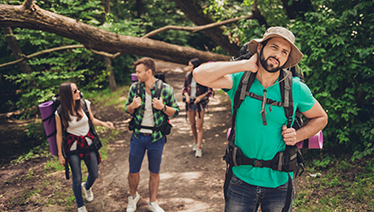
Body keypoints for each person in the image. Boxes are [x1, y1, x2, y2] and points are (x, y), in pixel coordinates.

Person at [193, 27, 328, 212]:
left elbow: (321, 117)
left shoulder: (296, 89)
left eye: (284, 52)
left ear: (287, 60)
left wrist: (298, 135)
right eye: (273, 47)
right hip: (240, 180)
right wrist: (246, 65)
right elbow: (199, 75)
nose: (277, 54)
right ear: (260, 48)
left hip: (279, 183)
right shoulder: (239, 81)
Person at [125, 57, 179, 212]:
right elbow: (126, 109)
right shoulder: (134, 88)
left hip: (156, 138)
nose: (136, 75)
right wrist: (132, 106)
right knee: (133, 171)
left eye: (139, 72)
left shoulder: (166, 89)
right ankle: (133, 196)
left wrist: (163, 107)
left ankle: (153, 202)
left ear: (149, 72)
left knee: (154, 172)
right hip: (137, 136)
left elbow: (175, 111)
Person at [55, 82, 114, 212]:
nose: (78, 92)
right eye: (74, 91)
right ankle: (80, 206)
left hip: (88, 144)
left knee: (94, 173)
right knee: (77, 177)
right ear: (67, 94)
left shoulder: (84, 104)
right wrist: (60, 154)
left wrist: (104, 123)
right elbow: (59, 134)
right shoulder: (59, 112)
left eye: (77, 89)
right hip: (72, 147)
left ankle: (86, 187)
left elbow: (92, 120)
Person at [182, 58, 213, 158]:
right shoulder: (188, 75)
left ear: (195, 67)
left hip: (200, 104)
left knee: (199, 126)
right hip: (190, 103)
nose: (188, 67)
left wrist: (199, 98)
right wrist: (187, 97)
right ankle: (195, 141)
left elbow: (209, 90)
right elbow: (184, 89)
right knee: (192, 124)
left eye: (190, 65)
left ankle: (199, 147)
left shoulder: (203, 77)